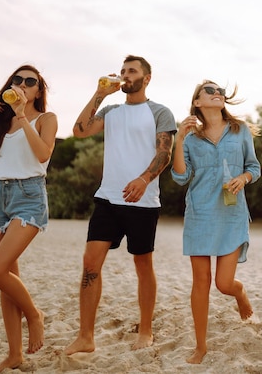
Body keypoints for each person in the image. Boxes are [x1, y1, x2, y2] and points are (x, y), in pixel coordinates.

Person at [65, 55, 176, 354]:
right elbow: (79, 130)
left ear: (147, 78)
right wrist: (100, 93)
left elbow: (164, 153)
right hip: (108, 198)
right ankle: (86, 337)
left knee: (143, 265)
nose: (126, 75)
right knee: (90, 263)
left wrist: (144, 179)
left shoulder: (160, 112)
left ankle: (146, 329)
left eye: (132, 71)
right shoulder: (111, 111)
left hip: (143, 202)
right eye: (124, 70)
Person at [0, 65, 58, 373]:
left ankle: (35, 315)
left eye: (30, 81)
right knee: (6, 279)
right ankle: (14, 354)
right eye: (17, 80)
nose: (22, 84)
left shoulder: (46, 119)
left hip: (28, 195)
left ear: (39, 90)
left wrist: (22, 114)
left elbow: (42, 155)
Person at [171, 80, 261, 364]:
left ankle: (241, 294)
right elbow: (180, 177)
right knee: (201, 282)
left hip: (231, 214)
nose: (217, 93)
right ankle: (201, 346)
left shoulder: (240, 130)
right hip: (200, 215)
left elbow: (254, 167)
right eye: (209, 91)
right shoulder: (191, 137)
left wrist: (243, 178)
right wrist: (179, 141)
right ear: (197, 102)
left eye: (219, 90)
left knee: (223, 283)